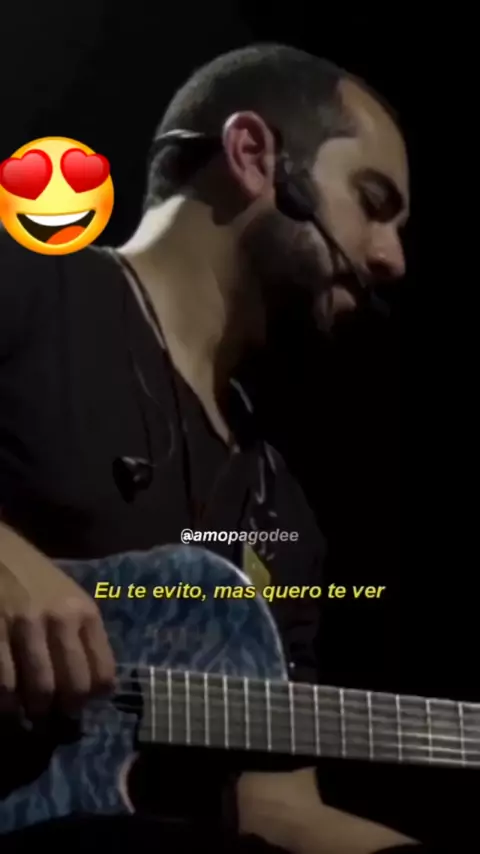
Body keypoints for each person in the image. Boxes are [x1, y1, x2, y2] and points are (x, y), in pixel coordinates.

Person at [0, 43, 426, 852]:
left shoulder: (280, 512)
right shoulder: (30, 286)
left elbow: (276, 809)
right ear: (254, 156)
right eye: (373, 204)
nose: (391, 257)